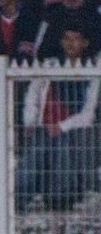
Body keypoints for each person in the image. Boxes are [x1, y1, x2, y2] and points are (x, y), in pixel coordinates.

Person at [17, 22, 100, 210]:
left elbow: (88, 114)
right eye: (66, 39)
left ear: (85, 43)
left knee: (63, 146)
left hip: (76, 131)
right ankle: (19, 196)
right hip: (43, 127)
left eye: (75, 39)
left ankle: (61, 198)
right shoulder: (50, 65)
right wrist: (30, 122)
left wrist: (61, 127)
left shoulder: (93, 71)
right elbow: (32, 96)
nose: (70, 43)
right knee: (36, 150)